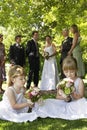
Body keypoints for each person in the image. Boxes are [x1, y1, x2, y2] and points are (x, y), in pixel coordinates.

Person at [33, 56, 87, 120]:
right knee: (48, 102)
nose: (69, 74)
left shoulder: (79, 81)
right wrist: (65, 98)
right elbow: (57, 97)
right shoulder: (63, 82)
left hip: (76, 102)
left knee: (82, 103)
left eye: (72, 72)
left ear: (76, 70)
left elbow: (80, 96)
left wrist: (71, 91)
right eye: (66, 72)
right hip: (64, 102)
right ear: (63, 71)